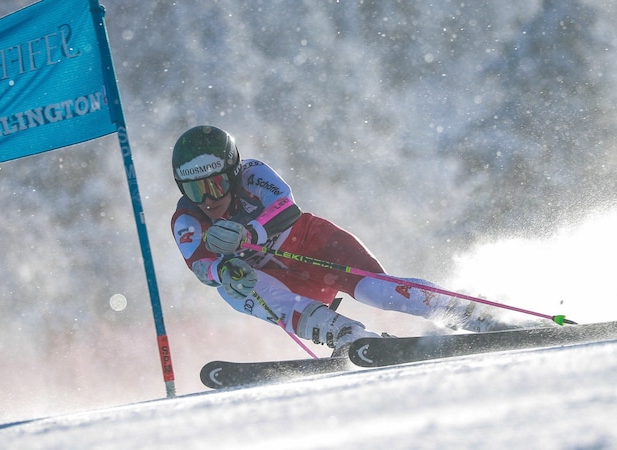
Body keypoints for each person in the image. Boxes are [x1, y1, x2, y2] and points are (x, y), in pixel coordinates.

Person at [170, 125, 534, 356]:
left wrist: (249, 233)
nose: (206, 198)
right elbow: (200, 263)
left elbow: (285, 208)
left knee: (380, 292)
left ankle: (472, 313)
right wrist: (225, 268)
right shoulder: (187, 218)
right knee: (234, 290)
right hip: (282, 281)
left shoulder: (252, 174)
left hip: (310, 244)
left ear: (232, 172)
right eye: (193, 188)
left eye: (214, 184)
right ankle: (343, 333)